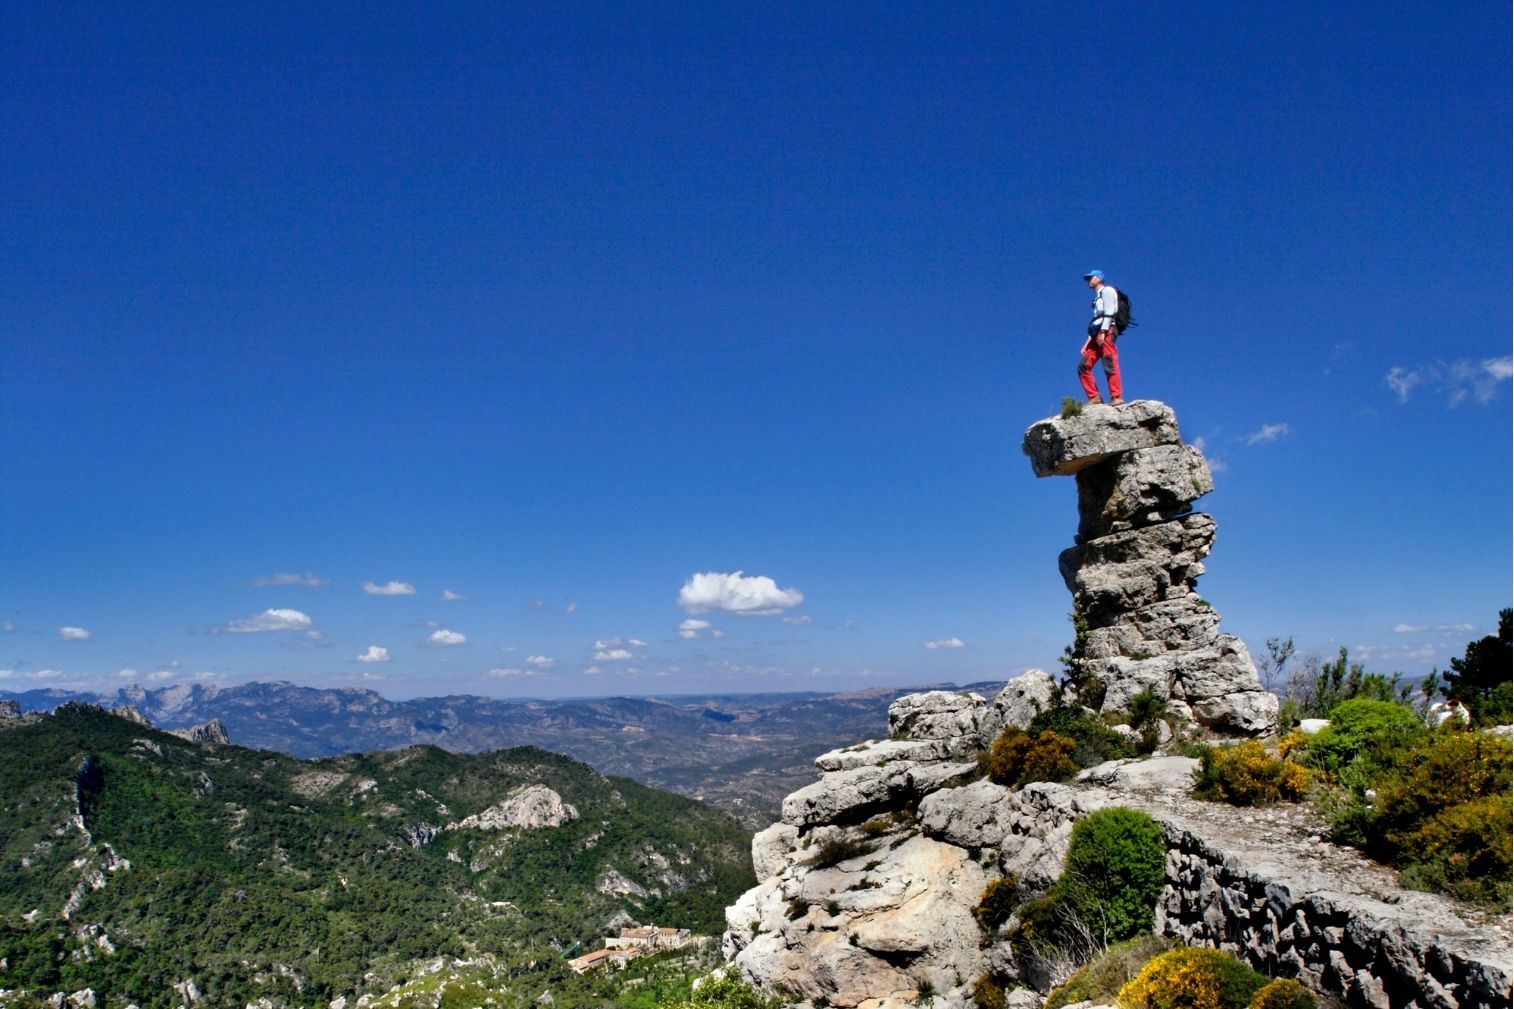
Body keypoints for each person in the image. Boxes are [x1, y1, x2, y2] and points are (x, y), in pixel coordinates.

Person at [1078, 269, 1124, 405]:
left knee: (1109, 361)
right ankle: (1094, 397)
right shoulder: (1097, 297)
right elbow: (1096, 320)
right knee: (1083, 365)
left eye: (1091, 278)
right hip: (1096, 333)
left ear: (1099, 278)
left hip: (1107, 329)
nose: (1088, 281)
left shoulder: (1108, 291)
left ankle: (1116, 397)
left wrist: (1104, 331)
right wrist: (1087, 342)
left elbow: (1109, 311)